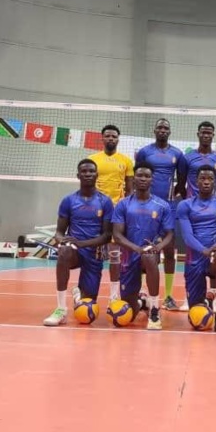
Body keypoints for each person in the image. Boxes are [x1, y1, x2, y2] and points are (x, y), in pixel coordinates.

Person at [43, 159, 114, 327]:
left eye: (91, 171)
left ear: (97, 175)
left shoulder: (105, 201)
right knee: (64, 251)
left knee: (87, 313)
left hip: (94, 253)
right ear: (78, 175)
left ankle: (78, 295)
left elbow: (106, 235)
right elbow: (59, 232)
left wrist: (83, 244)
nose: (88, 174)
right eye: (84, 171)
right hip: (74, 251)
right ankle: (61, 309)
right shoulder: (68, 201)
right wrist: (63, 241)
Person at [112, 163, 175, 330]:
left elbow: (169, 234)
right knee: (127, 316)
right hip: (129, 255)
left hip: (150, 254)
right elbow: (117, 235)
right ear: (134, 179)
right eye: (140, 175)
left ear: (151, 180)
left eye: (147, 176)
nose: (143, 179)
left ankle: (154, 308)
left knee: (148, 257)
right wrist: (136, 249)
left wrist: (158, 247)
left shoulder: (162, 205)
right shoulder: (123, 204)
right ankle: (142, 302)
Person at [176, 165, 216, 334]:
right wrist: (204, 250)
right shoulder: (185, 205)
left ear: (215, 182)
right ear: (196, 181)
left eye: (210, 178)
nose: (206, 182)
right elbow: (187, 236)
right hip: (194, 260)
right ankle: (205, 302)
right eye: (202, 178)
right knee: (197, 313)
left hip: (214, 259)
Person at [134, 118, 185, 311]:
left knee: (169, 249)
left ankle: (169, 295)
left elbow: (181, 180)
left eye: (166, 128)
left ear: (169, 132)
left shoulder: (177, 154)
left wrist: (171, 199)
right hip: (146, 207)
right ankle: (142, 293)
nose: (163, 130)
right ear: (154, 130)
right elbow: (138, 174)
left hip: (168, 207)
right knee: (144, 247)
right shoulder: (145, 152)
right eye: (160, 127)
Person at [88, 124, 134, 302]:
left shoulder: (126, 161)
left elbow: (130, 190)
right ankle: (87, 291)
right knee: (93, 253)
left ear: (118, 139)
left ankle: (114, 295)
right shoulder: (92, 159)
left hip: (117, 211)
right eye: (107, 136)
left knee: (115, 253)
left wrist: (126, 211)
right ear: (102, 138)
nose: (111, 139)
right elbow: (86, 186)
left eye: (114, 136)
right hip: (96, 211)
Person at [179, 121, 216, 198]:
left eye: (209, 133)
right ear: (198, 134)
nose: (206, 136)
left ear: (213, 135)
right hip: (191, 204)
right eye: (203, 133)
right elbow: (181, 184)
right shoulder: (186, 158)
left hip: (211, 206)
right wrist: (188, 201)